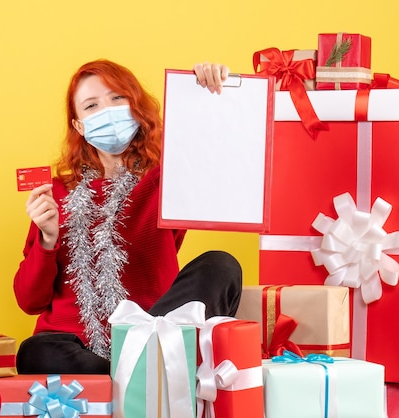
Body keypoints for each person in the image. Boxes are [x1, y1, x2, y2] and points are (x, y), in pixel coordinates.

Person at [13, 60, 243, 374]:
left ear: (135, 107)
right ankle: (137, 378)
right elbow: (29, 301)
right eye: (92, 105)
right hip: (75, 345)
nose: (107, 110)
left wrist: (208, 92)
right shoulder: (55, 192)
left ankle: (136, 365)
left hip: (153, 332)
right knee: (35, 351)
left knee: (221, 265)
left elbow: (215, 153)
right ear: (79, 126)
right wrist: (47, 239)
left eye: (117, 98)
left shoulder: (168, 177)